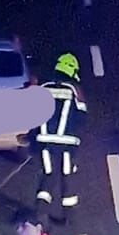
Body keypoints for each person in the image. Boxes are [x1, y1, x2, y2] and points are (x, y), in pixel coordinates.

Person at [35, 52, 85, 213]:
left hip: (44, 140)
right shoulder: (75, 89)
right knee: (66, 174)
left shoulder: (43, 87)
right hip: (67, 142)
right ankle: (69, 217)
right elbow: (82, 115)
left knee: (48, 175)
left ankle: (40, 215)